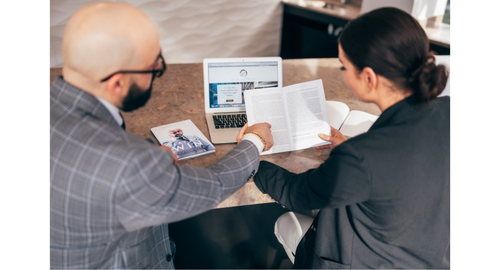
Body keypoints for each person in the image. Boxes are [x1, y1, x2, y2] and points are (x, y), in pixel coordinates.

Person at [50, 2, 273, 269]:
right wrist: (255, 141)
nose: (157, 73)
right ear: (117, 82)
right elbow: (213, 185)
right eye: (154, 69)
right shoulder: (132, 164)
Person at [254, 7, 450, 269]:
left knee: (287, 220)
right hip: (430, 257)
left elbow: (296, 192)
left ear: (368, 77)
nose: (342, 73)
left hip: (363, 262)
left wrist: (252, 156)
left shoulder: (360, 158)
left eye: (343, 66)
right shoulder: (450, 111)